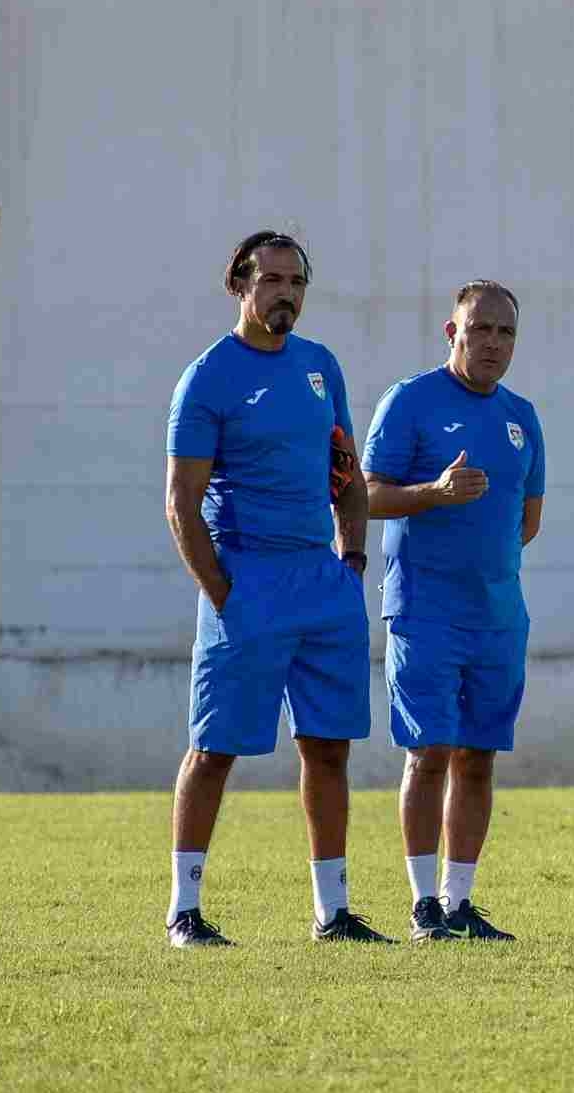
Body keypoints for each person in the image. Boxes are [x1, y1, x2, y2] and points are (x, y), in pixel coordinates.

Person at [162, 231, 391, 946]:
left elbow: (347, 475)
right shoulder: (209, 378)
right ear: (240, 284)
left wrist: (351, 560)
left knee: (329, 747)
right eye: (271, 280)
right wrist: (223, 592)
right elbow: (180, 501)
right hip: (247, 578)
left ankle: (332, 911)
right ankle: (184, 909)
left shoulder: (320, 367)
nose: (285, 293)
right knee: (215, 746)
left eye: (296, 281)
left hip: (321, 581)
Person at [363, 281, 545, 942]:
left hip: (497, 615)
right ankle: (422, 905)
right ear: (452, 332)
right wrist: (434, 493)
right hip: (424, 611)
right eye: (481, 329)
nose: (493, 342)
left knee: (478, 756)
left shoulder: (522, 415)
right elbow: (365, 495)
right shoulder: (410, 401)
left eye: (506, 332)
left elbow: (527, 519)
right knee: (429, 751)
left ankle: (460, 900)